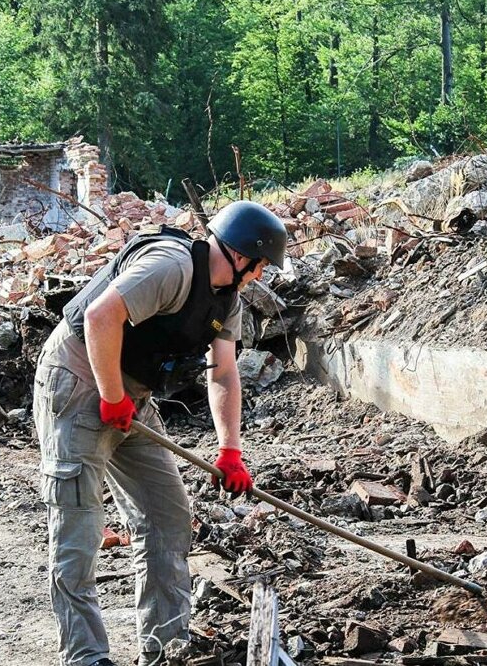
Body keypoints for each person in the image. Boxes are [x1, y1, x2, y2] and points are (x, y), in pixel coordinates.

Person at [33, 200, 287, 666]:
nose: (261, 276)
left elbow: (224, 374)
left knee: (166, 515)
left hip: (133, 395)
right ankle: (86, 656)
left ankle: (167, 648)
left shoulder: (225, 298)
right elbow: (99, 317)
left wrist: (231, 450)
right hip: (79, 379)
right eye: (262, 265)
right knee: (78, 523)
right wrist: (111, 396)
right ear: (240, 254)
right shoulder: (169, 267)